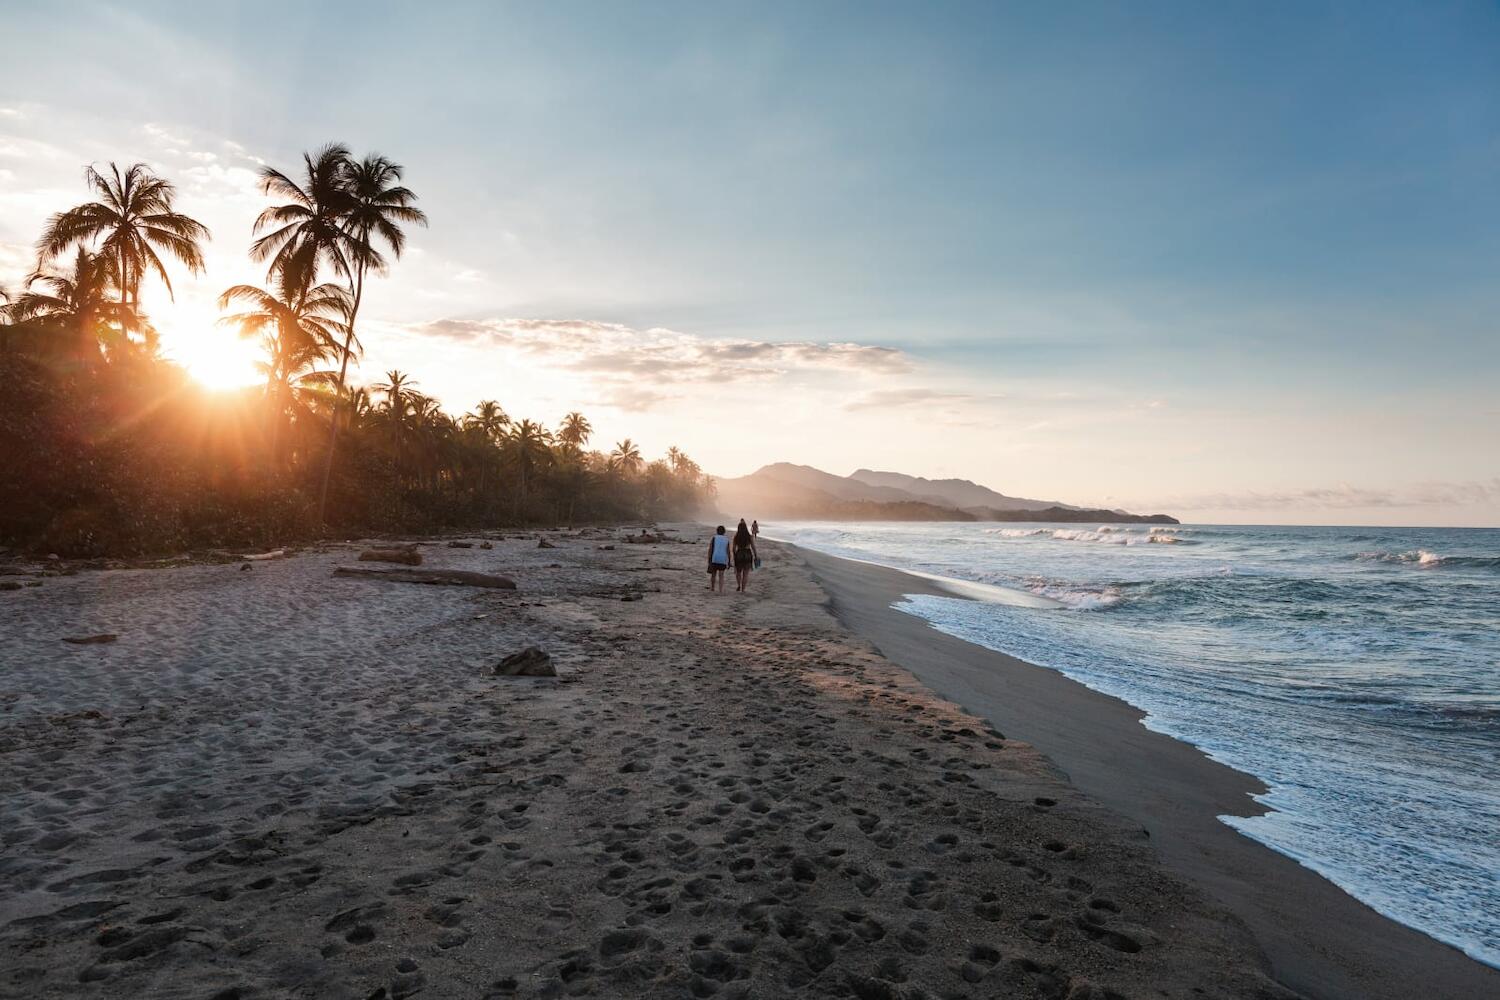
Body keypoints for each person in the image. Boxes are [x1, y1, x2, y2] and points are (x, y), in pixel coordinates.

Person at [732, 519, 758, 593]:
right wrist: (756, 555)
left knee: (738, 572)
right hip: (747, 554)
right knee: (746, 574)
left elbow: (733, 548)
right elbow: (753, 547)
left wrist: (734, 556)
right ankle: (743, 589)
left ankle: (739, 585)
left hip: (739, 553)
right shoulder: (749, 537)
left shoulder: (736, 537)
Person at [706, 525, 731, 593]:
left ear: (717, 531)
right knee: (721, 575)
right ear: (724, 532)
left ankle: (712, 588)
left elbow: (710, 549)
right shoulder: (726, 539)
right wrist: (729, 561)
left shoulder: (714, 538)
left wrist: (709, 558)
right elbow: (728, 551)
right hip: (723, 559)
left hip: (715, 557)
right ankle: (720, 590)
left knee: (713, 574)